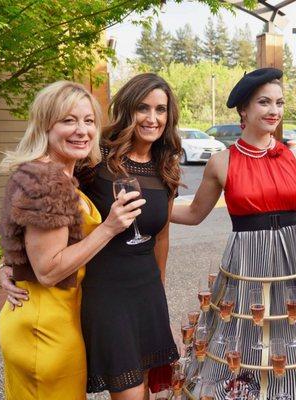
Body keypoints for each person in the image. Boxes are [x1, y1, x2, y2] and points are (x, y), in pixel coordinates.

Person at [170, 67, 296, 398]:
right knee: (244, 335)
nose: (274, 111)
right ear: (244, 110)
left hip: (291, 262)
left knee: (293, 335)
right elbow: (194, 214)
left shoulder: (294, 157)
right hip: (246, 264)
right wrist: (152, 209)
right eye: (264, 102)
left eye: (279, 103)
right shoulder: (221, 162)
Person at [0, 81, 143, 400]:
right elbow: (48, 270)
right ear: (45, 125)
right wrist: (109, 227)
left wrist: (6, 266)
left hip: (39, 317)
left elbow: (24, 241)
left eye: (89, 121)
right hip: (46, 327)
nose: (82, 130)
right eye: (68, 120)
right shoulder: (49, 182)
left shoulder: (44, 173)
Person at [77, 73, 182, 398]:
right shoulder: (94, 160)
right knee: (130, 392)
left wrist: (159, 290)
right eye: (143, 108)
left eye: (161, 110)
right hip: (106, 293)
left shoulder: (165, 165)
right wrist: (12, 261)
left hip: (147, 292)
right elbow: (50, 211)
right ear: (127, 109)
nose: (153, 118)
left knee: (147, 390)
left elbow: (161, 236)